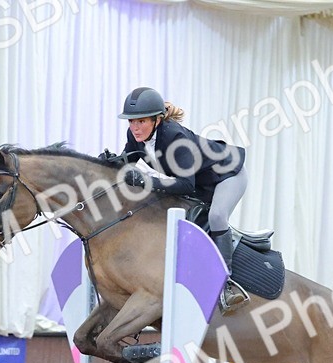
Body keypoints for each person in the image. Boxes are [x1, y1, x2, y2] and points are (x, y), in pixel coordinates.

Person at [105, 87, 250, 313]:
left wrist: (146, 182)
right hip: (201, 183)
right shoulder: (135, 136)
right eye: (131, 121)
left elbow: (185, 185)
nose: (135, 127)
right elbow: (127, 162)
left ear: (157, 120)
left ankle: (227, 285)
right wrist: (107, 164)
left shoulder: (174, 137)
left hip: (228, 175)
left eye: (141, 121)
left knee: (217, 216)